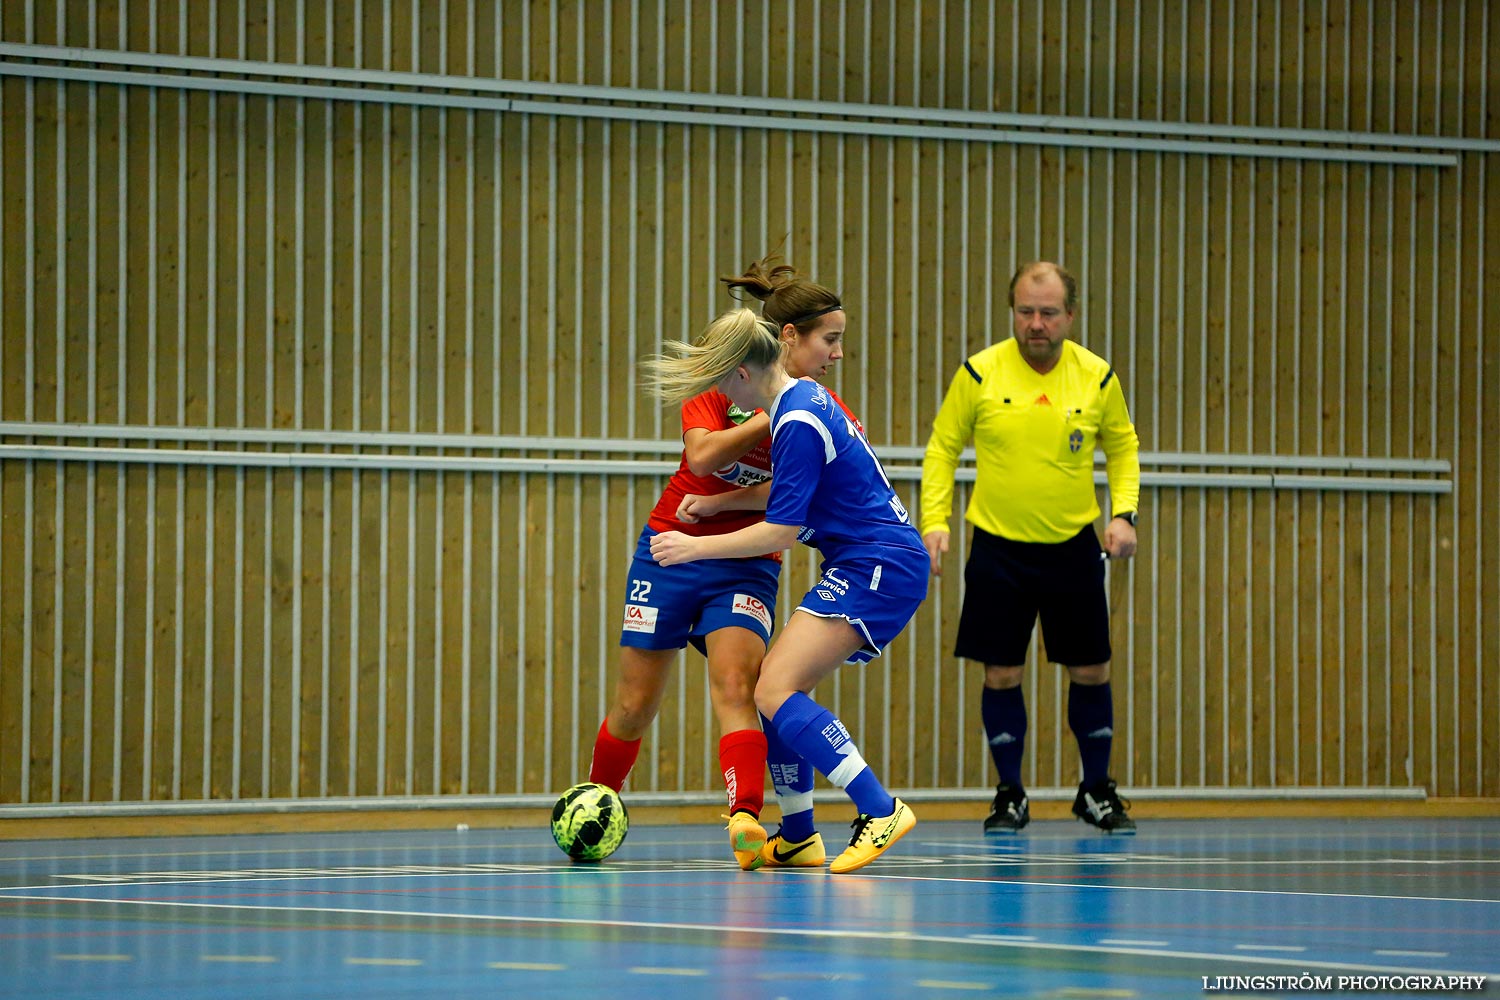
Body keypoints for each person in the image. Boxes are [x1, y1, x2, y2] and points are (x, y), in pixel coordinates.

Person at [584, 253, 849, 871]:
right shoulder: (728, 388)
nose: (837, 355)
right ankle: (600, 800)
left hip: (745, 562)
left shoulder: (815, 411)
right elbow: (700, 460)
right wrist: (766, 416)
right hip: (669, 550)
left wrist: (734, 496)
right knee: (634, 705)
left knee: (739, 687)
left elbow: (788, 495)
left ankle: (745, 822)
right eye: (830, 341)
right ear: (790, 340)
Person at [648, 307, 929, 874]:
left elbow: (779, 529)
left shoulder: (796, 420)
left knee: (773, 688)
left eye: (721, 382)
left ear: (743, 375)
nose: (720, 397)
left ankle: (879, 809)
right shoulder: (796, 404)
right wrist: (720, 503)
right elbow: (793, 496)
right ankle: (798, 834)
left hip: (878, 562)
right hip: (868, 559)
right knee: (772, 688)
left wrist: (693, 546)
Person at [919, 261, 1140, 835]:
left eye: (1047, 313)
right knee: (1001, 674)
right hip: (999, 549)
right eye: (1024, 312)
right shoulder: (979, 373)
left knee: (1092, 670)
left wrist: (1124, 515)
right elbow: (942, 447)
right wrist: (934, 521)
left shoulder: (1096, 377)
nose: (1035, 324)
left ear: (1069, 315)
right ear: (1012, 312)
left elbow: (1123, 447)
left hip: (1072, 545)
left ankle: (1094, 790)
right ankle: (1010, 793)